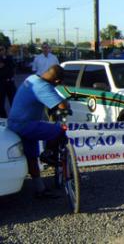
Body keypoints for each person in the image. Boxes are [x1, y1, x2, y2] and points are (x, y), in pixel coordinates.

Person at [7, 65, 69, 198]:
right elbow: (62, 105)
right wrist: (66, 106)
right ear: (57, 81)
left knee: (32, 156)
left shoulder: (32, 78)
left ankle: (40, 189)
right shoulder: (42, 86)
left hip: (15, 122)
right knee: (59, 130)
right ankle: (49, 154)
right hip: (25, 124)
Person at [0, 45, 16, 118]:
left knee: (14, 101)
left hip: (10, 82)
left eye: (2, 49)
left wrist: (5, 62)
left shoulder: (9, 58)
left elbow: (12, 66)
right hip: (1, 83)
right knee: (0, 103)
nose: (1, 51)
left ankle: (15, 118)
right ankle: (3, 119)